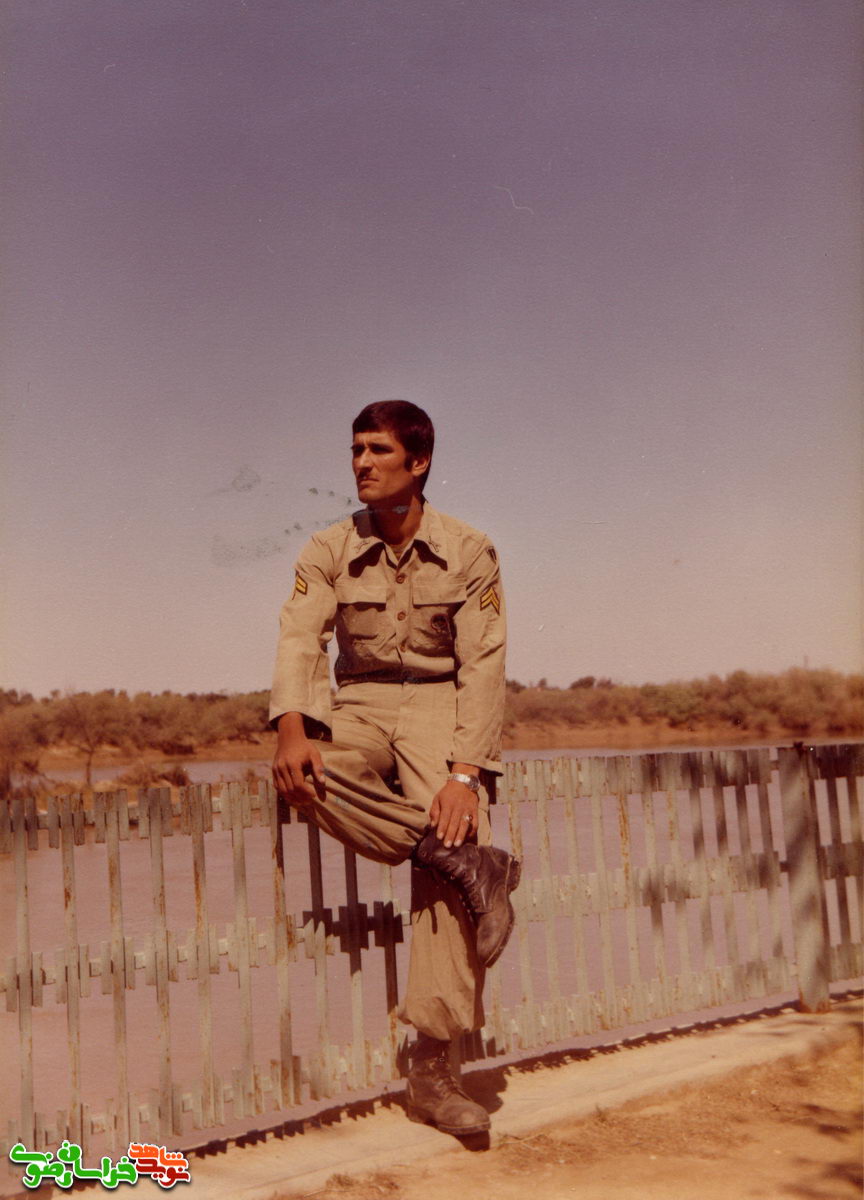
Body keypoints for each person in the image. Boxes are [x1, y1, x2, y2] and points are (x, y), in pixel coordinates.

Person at [270, 399, 519, 1136]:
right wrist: (292, 729)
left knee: (455, 826)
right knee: (309, 772)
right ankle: (465, 863)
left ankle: (434, 1071)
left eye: (378, 451)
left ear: (420, 462)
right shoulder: (328, 547)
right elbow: (300, 638)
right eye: (356, 450)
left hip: (442, 704)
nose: (361, 464)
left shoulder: (470, 549)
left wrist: (464, 777)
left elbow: (484, 664)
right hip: (360, 700)